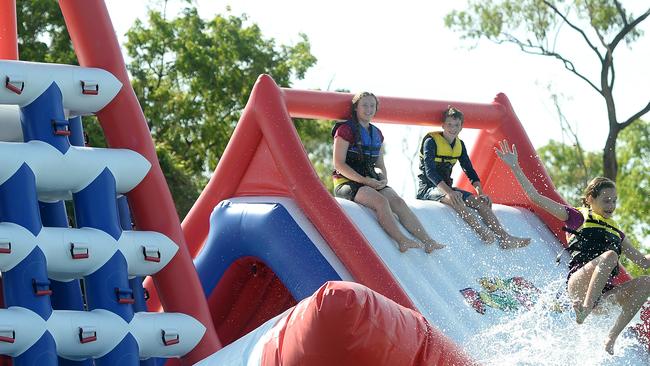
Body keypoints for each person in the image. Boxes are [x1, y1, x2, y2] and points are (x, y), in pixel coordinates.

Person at [495, 139, 650, 355]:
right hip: (579, 284)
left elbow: (643, 262)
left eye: (614, 201)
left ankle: (611, 337)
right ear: (590, 199)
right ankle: (585, 309)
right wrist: (515, 166)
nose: (611, 206)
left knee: (646, 283)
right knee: (610, 256)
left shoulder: (617, 232)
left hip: (604, 297)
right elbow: (535, 197)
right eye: (606, 200)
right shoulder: (576, 216)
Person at [332, 91, 445, 253]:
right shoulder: (345, 130)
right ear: (356, 108)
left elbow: (379, 164)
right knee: (381, 202)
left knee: (397, 201)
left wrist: (383, 178)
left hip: (370, 180)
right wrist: (365, 181)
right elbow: (339, 164)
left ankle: (428, 241)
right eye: (364, 105)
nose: (368, 109)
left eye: (372, 105)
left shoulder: (376, 133)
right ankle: (402, 240)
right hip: (347, 183)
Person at [416, 106, 530, 249]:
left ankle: (505, 237)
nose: (453, 128)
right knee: (455, 199)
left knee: (479, 202)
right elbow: (430, 172)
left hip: (448, 188)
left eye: (456, 125)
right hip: (428, 189)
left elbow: (469, 170)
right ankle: (481, 231)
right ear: (443, 125)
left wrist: (480, 192)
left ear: (461, 127)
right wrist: (449, 192)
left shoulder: (460, 145)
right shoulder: (431, 142)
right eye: (449, 125)